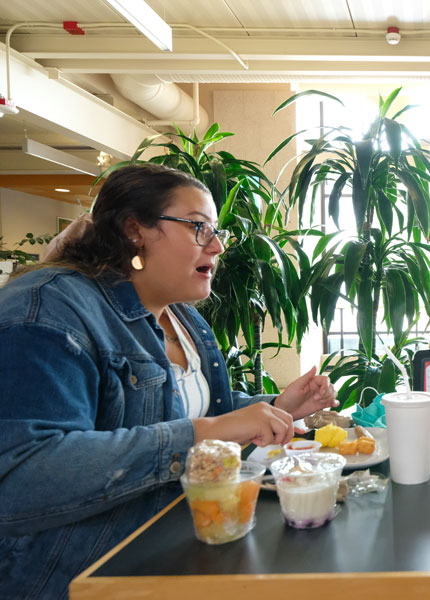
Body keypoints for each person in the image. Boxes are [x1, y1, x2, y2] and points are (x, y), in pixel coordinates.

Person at [0, 164, 337, 599]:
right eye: (198, 227)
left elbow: (198, 411)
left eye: (216, 231)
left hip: (174, 557)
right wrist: (203, 435)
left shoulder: (183, 318)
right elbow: (23, 479)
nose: (216, 246)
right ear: (134, 230)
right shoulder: (45, 310)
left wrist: (280, 406)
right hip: (78, 579)